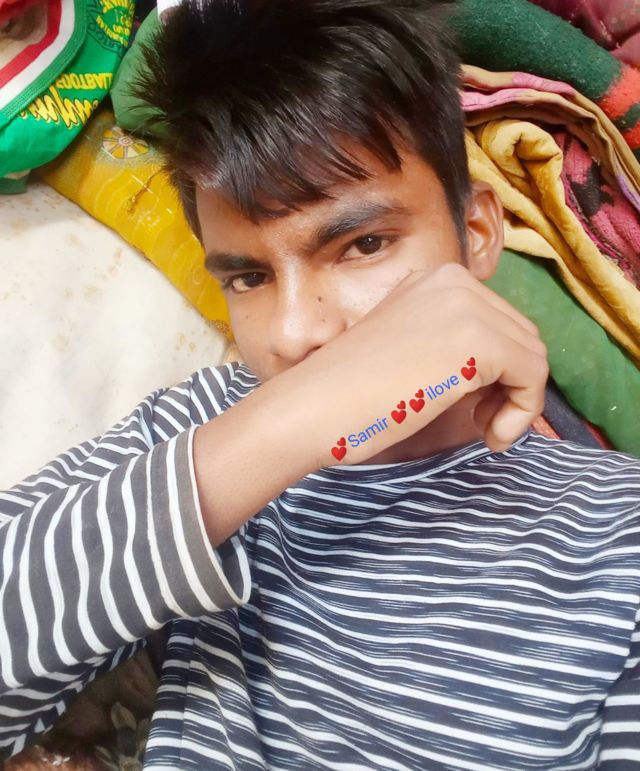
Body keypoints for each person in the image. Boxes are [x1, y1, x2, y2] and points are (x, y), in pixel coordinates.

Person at [1, 0, 639, 768]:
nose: (294, 330)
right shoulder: (201, 434)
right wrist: (291, 424)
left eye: (362, 244)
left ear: (475, 234)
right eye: (248, 277)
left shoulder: (616, 529)